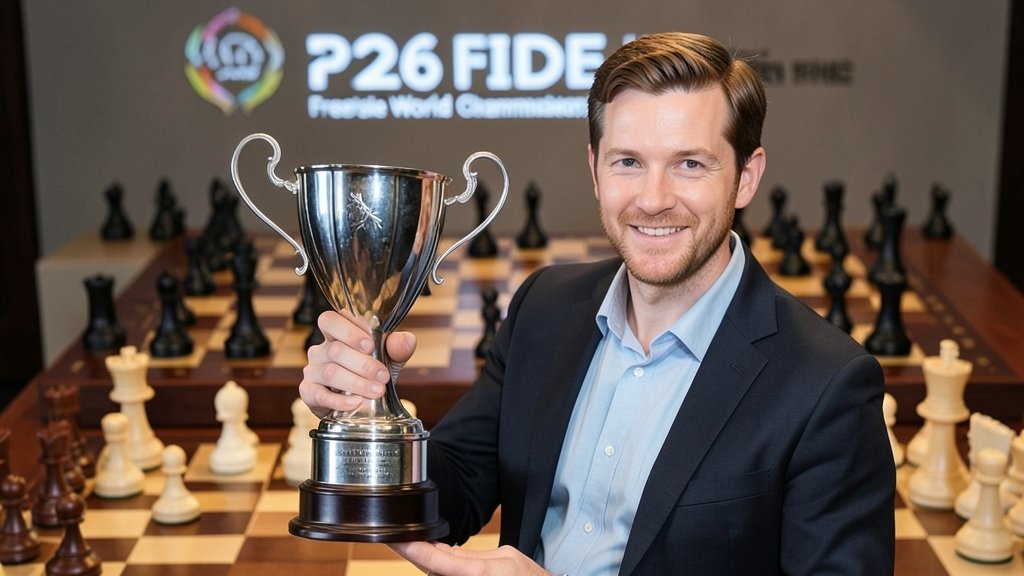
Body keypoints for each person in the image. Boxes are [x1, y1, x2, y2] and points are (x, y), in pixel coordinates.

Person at [300, 31, 896, 575]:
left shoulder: (827, 386)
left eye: (690, 164)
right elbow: (454, 489)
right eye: (628, 163)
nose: (654, 199)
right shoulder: (545, 308)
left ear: (745, 176)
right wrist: (370, 414)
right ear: (594, 170)